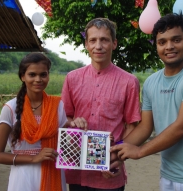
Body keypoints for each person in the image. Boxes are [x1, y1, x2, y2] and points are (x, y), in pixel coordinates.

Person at [111, 12, 183, 191]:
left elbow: (182, 127)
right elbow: (144, 127)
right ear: (156, 46)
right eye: (162, 42)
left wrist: (139, 151)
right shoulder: (151, 82)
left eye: (176, 40)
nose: (169, 46)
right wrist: (115, 151)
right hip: (169, 175)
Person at [61, 18, 141, 191]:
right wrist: (73, 124)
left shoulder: (129, 82)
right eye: (93, 40)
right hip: (77, 169)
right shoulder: (72, 79)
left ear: (114, 43)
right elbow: (65, 117)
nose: (98, 46)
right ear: (86, 44)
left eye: (104, 40)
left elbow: (132, 125)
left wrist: (117, 157)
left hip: (109, 172)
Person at [0, 53, 67, 191]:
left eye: (43, 74)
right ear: (22, 76)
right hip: (23, 178)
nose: (38, 79)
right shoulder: (11, 108)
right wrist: (33, 158)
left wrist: (83, 129)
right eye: (32, 75)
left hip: (52, 175)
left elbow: (70, 143)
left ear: (48, 75)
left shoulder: (58, 106)